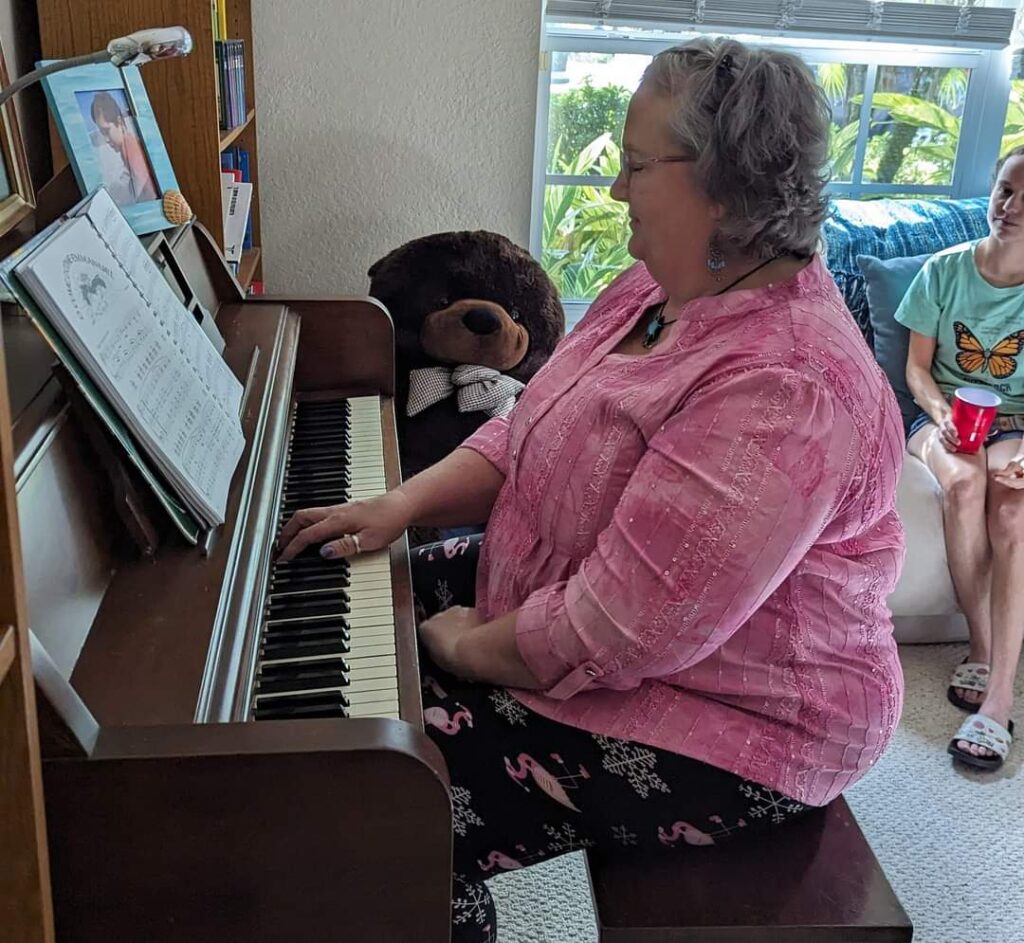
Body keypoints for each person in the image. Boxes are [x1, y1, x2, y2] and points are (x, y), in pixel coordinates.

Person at [278, 37, 905, 943]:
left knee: (381, 806)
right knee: (357, 583)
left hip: (736, 716)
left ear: (720, 186)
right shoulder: (654, 288)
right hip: (589, 610)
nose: (614, 187)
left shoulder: (786, 387)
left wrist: (464, 646)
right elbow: (526, 430)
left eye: (637, 163)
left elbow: (617, 630)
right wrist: (399, 505)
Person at [897, 146, 1024, 772]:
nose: (1012, 206)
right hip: (939, 415)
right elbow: (917, 369)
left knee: (1014, 517)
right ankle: (979, 642)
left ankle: (998, 699)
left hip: (1018, 424)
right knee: (965, 489)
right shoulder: (944, 270)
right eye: (1005, 190)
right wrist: (942, 413)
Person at [90, 91, 158, 205]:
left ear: (119, 122)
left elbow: (150, 194)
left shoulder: (130, 149)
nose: (106, 139)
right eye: (102, 132)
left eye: (107, 131)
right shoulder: (128, 144)